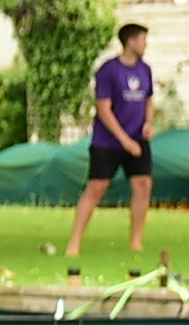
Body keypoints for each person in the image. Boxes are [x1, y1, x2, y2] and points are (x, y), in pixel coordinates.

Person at [67, 23, 158, 256]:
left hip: (138, 139)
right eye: (142, 39)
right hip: (108, 142)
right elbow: (104, 110)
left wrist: (148, 123)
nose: (145, 44)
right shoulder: (109, 70)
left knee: (143, 184)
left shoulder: (145, 70)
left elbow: (148, 100)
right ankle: (74, 243)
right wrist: (124, 140)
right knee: (97, 187)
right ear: (130, 42)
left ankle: (136, 242)